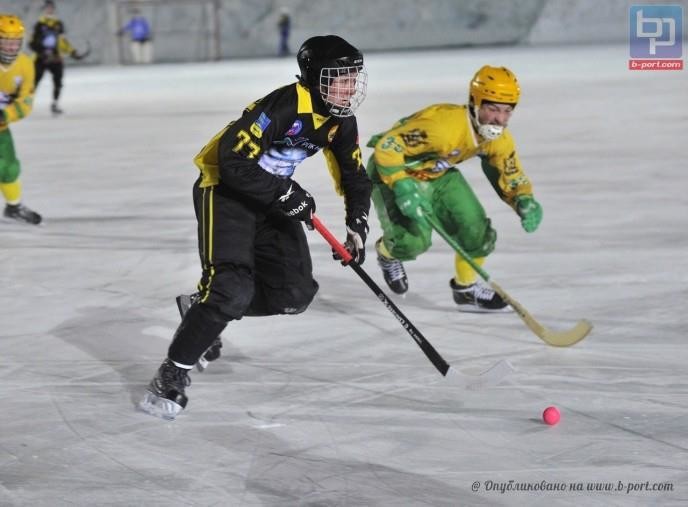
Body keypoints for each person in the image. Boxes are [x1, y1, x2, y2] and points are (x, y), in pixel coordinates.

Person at [140, 35, 371, 420]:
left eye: (353, 78)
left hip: (270, 197)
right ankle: (172, 373)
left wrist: (357, 223)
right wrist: (286, 192)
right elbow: (232, 161)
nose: (350, 88)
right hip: (225, 191)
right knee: (231, 288)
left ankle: (200, 309)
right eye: (341, 79)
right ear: (315, 77)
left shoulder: (340, 120)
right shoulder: (283, 106)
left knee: (294, 294)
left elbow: (354, 175)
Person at [367, 65, 543, 312]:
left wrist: (523, 199)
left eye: (507, 111)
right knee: (411, 242)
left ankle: (466, 290)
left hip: (438, 174)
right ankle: (387, 254)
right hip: (394, 171)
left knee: (476, 230)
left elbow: (510, 173)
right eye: (493, 109)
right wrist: (402, 184)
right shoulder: (443, 128)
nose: (500, 120)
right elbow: (388, 146)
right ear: (475, 102)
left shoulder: (499, 140)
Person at [0, 13, 41, 225]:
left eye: (15, 42)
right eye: (6, 42)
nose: (11, 47)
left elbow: (26, 102)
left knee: (9, 168)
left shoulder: (25, 64)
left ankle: (14, 207)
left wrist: (5, 114)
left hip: (1, 126)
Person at [29, 0, 86, 115]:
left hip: (55, 58)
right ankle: (25, 103)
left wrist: (72, 52)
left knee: (58, 81)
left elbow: (62, 41)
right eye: (47, 7)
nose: (49, 10)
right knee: (34, 81)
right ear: (43, 9)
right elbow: (31, 43)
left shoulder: (58, 24)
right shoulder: (39, 24)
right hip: (41, 58)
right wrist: (42, 53)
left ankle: (55, 104)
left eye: (51, 7)